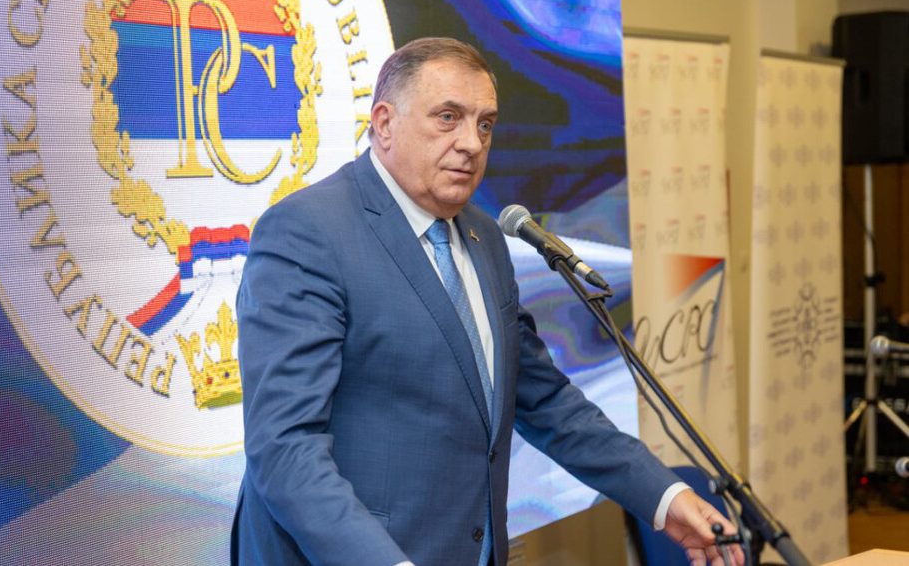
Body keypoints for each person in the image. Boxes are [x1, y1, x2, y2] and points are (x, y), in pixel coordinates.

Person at [232, 37, 744, 566]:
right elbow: (285, 448)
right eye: (448, 117)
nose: (472, 143)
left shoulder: (485, 238)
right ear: (384, 123)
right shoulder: (308, 232)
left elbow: (545, 400)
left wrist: (665, 497)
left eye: (485, 124)